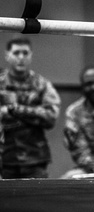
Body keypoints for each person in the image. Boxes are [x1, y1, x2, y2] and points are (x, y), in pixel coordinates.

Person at [0, 37, 61, 179]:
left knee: (37, 200)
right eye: (16, 53)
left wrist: (13, 110)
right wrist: (32, 114)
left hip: (34, 159)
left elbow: (51, 118)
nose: (21, 57)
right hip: (4, 158)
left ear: (31, 55)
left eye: (25, 53)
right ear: (7, 55)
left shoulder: (42, 84)